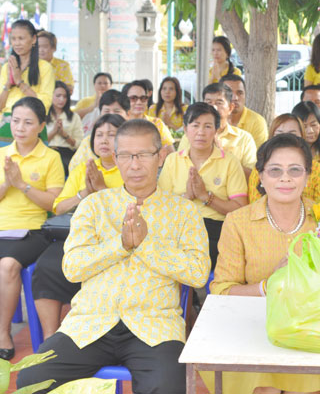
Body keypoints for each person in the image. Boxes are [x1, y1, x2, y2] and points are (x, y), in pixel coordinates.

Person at [17, 119, 211, 393]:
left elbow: (198, 272)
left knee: (167, 386)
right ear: (115, 158)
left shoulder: (183, 211)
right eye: (125, 156)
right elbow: (72, 268)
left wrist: (145, 245)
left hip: (154, 326)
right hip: (91, 323)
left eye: (143, 155)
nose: (134, 164)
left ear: (160, 157)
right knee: (31, 378)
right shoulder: (94, 206)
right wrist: (120, 245)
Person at [206, 133, 320, 394]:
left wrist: (311, 281)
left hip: (311, 326)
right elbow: (222, 290)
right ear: (260, 176)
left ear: (307, 176)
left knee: (304, 387)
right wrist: (268, 286)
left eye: (295, 170)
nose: (285, 178)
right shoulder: (238, 222)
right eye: (275, 170)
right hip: (252, 326)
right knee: (264, 389)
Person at [33, 114, 126, 339]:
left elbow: (134, 214)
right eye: (99, 135)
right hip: (78, 237)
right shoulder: (81, 170)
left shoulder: (130, 170)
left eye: (111, 135)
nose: (104, 140)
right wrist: (84, 193)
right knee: (46, 267)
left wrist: (102, 190)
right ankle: (50, 339)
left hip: (117, 241)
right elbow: (59, 208)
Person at [0, 97, 64, 360]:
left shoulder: (51, 157)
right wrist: (7, 182)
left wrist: (22, 184)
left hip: (32, 230)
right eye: (15, 121)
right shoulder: (2, 154)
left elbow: (55, 204)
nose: (20, 127)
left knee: (7, 265)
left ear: (41, 126)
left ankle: (3, 333)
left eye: (28, 122)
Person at [159, 102, 247, 269]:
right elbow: (162, 205)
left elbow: (241, 209)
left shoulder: (229, 162)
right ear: (185, 129)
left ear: (216, 130)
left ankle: (201, 292)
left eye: (207, 126)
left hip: (215, 230)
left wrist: (206, 197)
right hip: (179, 228)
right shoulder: (173, 160)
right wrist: (187, 197)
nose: (201, 132)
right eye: (195, 125)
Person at [247, 113, 320, 205]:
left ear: (302, 137)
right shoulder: (259, 170)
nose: (285, 140)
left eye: (292, 135)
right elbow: (255, 208)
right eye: (279, 135)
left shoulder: (319, 171)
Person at [178, 83, 257, 177]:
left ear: (231, 108)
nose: (213, 107)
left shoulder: (244, 138)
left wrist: (223, 155)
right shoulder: (190, 136)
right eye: (208, 103)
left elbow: (252, 177)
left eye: (219, 103)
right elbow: (180, 168)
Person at [68, 90, 131, 172]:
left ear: (128, 114)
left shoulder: (134, 142)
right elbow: (74, 169)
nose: (110, 115)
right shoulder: (88, 141)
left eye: (116, 111)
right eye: (106, 111)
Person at [0, 20, 54, 114]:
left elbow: (44, 105)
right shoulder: (7, 67)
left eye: (21, 38)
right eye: (13, 39)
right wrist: (9, 83)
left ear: (33, 39)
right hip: (7, 121)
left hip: (32, 120)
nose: (17, 43)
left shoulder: (45, 67)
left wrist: (20, 83)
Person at [221, 74, 268, 147]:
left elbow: (259, 156)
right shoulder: (212, 120)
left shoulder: (257, 122)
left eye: (240, 93)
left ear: (245, 95)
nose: (235, 98)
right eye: (229, 93)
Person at [46, 81, 83, 174]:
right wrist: (53, 132)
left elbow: (79, 143)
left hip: (66, 154)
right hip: (46, 151)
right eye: (58, 96)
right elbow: (37, 141)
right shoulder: (43, 115)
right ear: (50, 95)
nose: (62, 99)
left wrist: (64, 134)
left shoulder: (74, 117)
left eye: (65, 96)